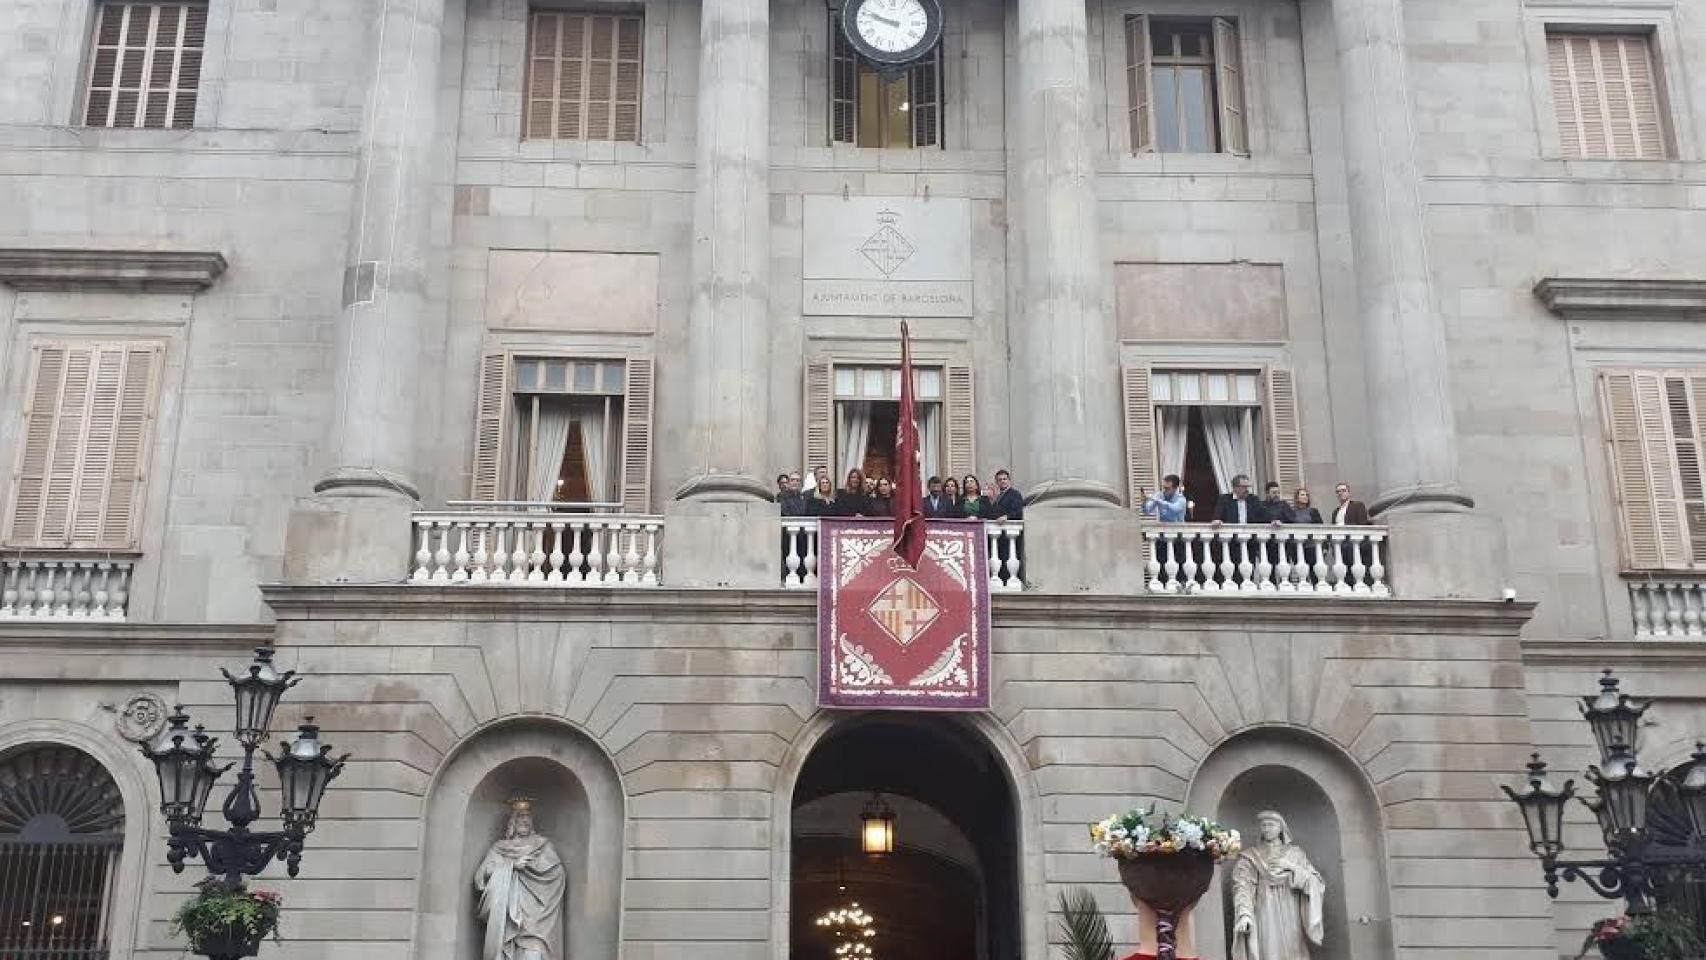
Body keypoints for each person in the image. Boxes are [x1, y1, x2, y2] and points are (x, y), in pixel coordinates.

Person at [474, 799, 566, 960]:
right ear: (513, 822)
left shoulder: (543, 846)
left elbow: (557, 875)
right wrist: (511, 866)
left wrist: (535, 868)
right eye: (521, 816)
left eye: (527, 817)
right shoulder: (500, 847)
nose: (525, 820)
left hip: (537, 920)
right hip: (507, 918)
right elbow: (481, 877)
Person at [1230, 810, 1326, 960]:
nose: (1267, 828)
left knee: (1294, 947)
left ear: (1281, 828)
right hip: (1264, 909)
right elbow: (1242, 887)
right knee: (1269, 949)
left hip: (1291, 910)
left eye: (1271, 825)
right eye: (1264, 825)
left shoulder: (1296, 854)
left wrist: (1291, 866)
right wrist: (1244, 914)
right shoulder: (1251, 856)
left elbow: (1315, 882)